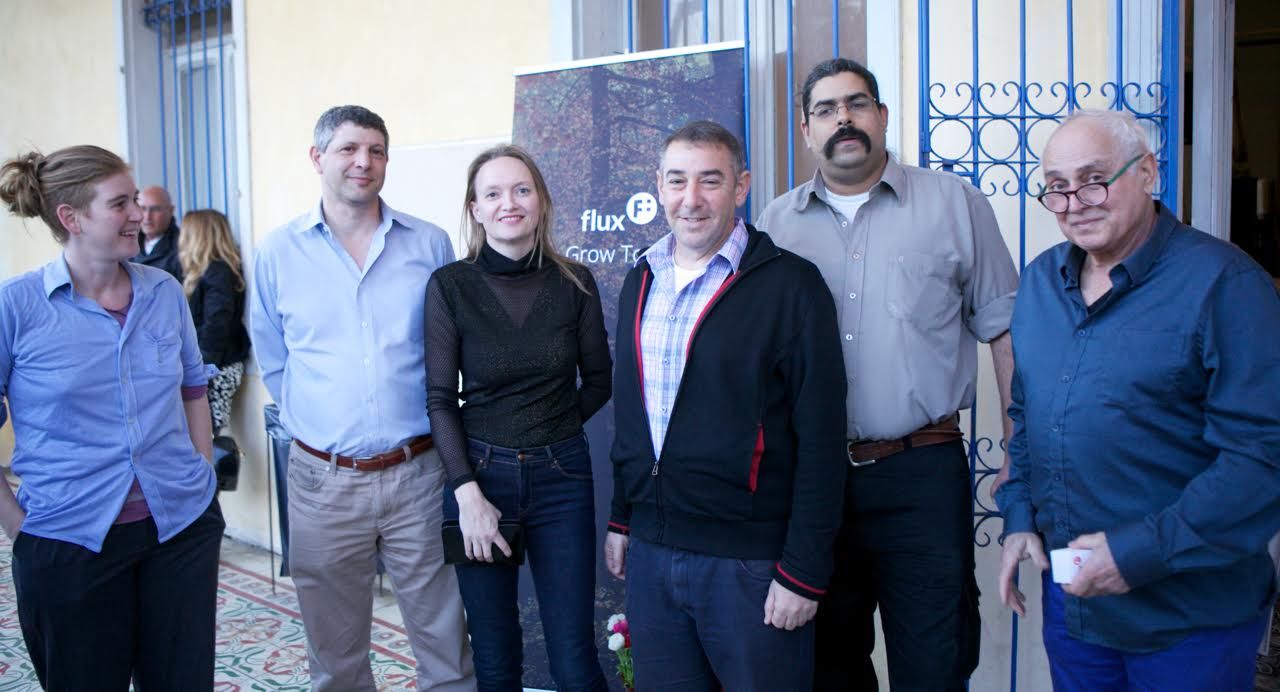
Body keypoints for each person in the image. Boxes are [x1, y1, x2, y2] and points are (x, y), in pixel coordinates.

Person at [756, 57, 1020, 691]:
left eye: (857, 103)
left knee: (934, 662)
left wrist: (1020, 447)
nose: (843, 119)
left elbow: (1005, 330)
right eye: (826, 109)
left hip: (919, 473)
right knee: (829, 665)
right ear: (805, 129)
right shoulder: (773, 225)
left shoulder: (955, 203)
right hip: (811, 485)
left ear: (882, 115)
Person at [996, 108, 1280, 691]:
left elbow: (1261, 459)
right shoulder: (1042, 283)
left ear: (1147, 172)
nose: (1076, 201)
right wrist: (1020, 516)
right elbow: (1029, 417)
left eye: (1094, 179)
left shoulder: (1225, 284)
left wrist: (1135, 553)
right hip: (1077, 615)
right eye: (1057, 187)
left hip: (1189, 620)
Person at [604, 120, 847, 690]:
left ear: (741, 188)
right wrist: (622, 516)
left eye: (710, 181)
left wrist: (804, 572)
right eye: (677, 181)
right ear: (658, 187)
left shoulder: (791, 286)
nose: (692, 199)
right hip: (653, 553)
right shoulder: (640, 279)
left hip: (751, 566)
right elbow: (632, 413)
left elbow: (822, 439)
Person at [250, 105, 474, 691]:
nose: (363, 162)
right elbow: (274, 356)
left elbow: (451, 348)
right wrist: (322, 421)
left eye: (376, 150)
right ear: (317, 157)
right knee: (336, 654)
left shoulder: (429, 243)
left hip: (419, 472)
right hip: (323, 480)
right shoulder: (278, 252)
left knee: (446, 643)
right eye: (349, 149)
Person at [0, 145, 224, 689]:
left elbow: (194, 386)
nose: (138, 215)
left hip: (180, 530)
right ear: (70, 218)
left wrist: (202, 471)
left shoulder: (164, 291)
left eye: (136, 201)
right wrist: (17, 526)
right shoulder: (18, 307)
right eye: (119, 204)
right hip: (68, 543)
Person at [425, 144, 612, 691]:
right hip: (478, 480)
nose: (509, 202)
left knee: (575, 654)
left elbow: (599, 382)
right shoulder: (450, 287)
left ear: (541, 201)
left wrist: (548, 424)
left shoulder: (574, 282)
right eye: (493, 193)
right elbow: (439, 398)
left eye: (521, 189)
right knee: (495, 651)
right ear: (475, 209)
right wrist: (467, 493)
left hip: (563, 480)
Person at [178, 209, 250, 433]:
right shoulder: (210, 270)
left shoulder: (217, 271)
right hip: (211, 365)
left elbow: (216, 324)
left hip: (214, 367)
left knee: (208, 436)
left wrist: (200, 368)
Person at [133, 185, 183, 281]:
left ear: (171, 210)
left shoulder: (183, 247)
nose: (147, 217)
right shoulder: (126, 244)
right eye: (142, 209)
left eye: (155, 209)